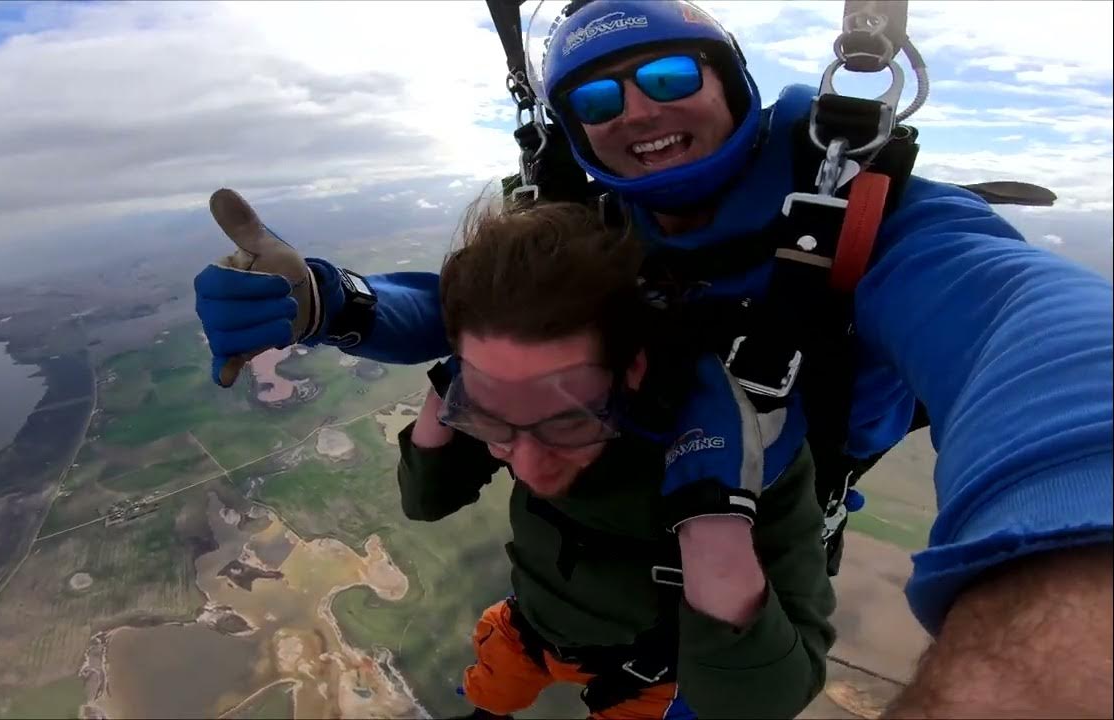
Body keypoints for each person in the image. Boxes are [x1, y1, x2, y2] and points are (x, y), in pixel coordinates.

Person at [193, 0, 1114, 715]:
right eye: (597, 98)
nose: (637, 111)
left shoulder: (870, 221)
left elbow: (1021, 319)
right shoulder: (591, 214)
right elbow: (476, 310)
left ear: (733, 82)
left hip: (748, 519)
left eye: (669, 76)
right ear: (575, 129)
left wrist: (1071, 546)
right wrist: (333, 302)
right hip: (579, 576)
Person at [399, 199, 834, 719]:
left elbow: (764, 701)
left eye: (568, 422)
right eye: (493, 424)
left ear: (631, 370)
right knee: (492, 696)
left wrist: (714, 523)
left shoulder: (750, 458)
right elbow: (426, 498)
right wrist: (454, 383)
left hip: (644, 677)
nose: (530, 469)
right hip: (527, 635)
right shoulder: (510, 405)